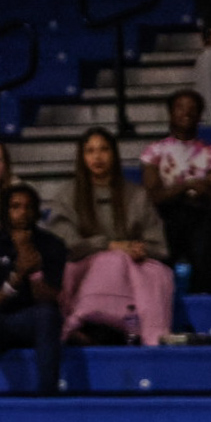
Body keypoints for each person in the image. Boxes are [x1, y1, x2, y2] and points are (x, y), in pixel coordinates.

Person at [46, 127, 173, 346]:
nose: (97, 157)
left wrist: (138, 249)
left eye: (104, 149)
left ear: (114, 154)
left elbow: (158, 245)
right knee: (110, 260)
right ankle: (87, 322)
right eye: (90, 151)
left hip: (132, 266)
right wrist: (109, 245)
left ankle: (119, 328)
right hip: (83, 266)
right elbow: (63, 244)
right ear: (82, 157)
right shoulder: (66, 195)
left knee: (150, 271)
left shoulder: (136, 195)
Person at [139, 89, 211, 294]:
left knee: (206, 239)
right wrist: (189, 185)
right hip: (166, 216)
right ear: (170, 113)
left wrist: (172, 190)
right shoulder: (154, 151)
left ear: (200, 115)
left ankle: (202, 300)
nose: (186, 113)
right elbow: (153, 196)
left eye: (192, 108)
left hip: (201, 215)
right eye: (180, 107)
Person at [0, 184, 65, 394]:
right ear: (5, 211)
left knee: (47, 314)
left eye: (28, 207)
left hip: (31, 320)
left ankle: (47, 396)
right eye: (15, 207)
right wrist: (17, 277)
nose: (22, 213)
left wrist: (33, 267)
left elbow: (50, 298)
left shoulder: (52, 244)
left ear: (36, 211)